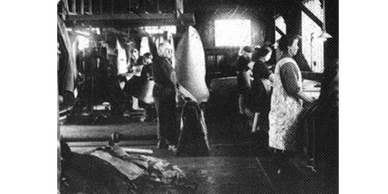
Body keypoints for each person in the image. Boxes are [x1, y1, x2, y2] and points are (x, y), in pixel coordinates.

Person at [268, 35, 315, 174]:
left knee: (282, 141)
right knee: (287, 141)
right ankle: (288, 171)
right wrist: (311, 100)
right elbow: (294, 90)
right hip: (287, 108)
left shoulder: (282, 61)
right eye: (296, 44)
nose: (298, 47)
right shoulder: (288, 63)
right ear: (289, 47)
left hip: (281, 106)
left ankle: (282, 168)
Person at [152, 42, 179, 149]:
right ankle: (164, 141)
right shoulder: (158, 62)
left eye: (171, 50)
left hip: (167, 91)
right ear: (161, 51)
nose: (170, 52)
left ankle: (165, 140)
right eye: (167, 50)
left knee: (167, 117)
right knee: (164, 117)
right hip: (162, 92)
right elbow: (166, 77)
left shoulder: (165, 61)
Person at [250, 46, 274, 134]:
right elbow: (270, 76)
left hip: (258, 86)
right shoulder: (261, 64)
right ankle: (255, 129)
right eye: (270, 55)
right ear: (265, 55)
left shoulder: (258, 62)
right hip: (260, 88)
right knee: (259, 109)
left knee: (258, 109)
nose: (270, 57)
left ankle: (256, 128)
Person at [236, 46, 254, 116]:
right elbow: (250, 67)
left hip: (242, 76)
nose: (251, 55)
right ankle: (243, 109)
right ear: (246, 52)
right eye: (250, 53)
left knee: (242, 94)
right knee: (244, 93)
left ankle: (242, 109)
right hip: (243, 77)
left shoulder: (243, 58)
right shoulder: (243, 58)